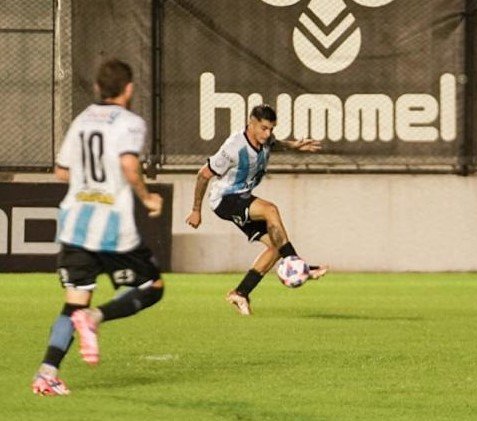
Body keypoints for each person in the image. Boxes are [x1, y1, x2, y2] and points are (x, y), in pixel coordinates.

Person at [32, 59, 165, 396]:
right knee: (153, 286)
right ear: (129, 89)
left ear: (97, 88)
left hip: (74, 225)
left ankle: (47, 374)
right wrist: (147, 197)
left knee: (73, 303)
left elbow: (61, 171)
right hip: (112, 229)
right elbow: (129, 164)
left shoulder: (81, 120)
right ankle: (95, 317)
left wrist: (87, 181)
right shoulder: (131, 122)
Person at [185, 104, 327, 315]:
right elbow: (203, 174)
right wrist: (196, 210)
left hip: (241, 197)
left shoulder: (265, 139)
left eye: (271, 129)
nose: (268, 133)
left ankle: (240, 293)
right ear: (251, 123)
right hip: (225, 199)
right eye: (263, 128)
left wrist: (295, 146)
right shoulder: (233, 148)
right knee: (270, 210)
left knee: (276, 247)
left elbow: (275, 144)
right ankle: (296, 262)